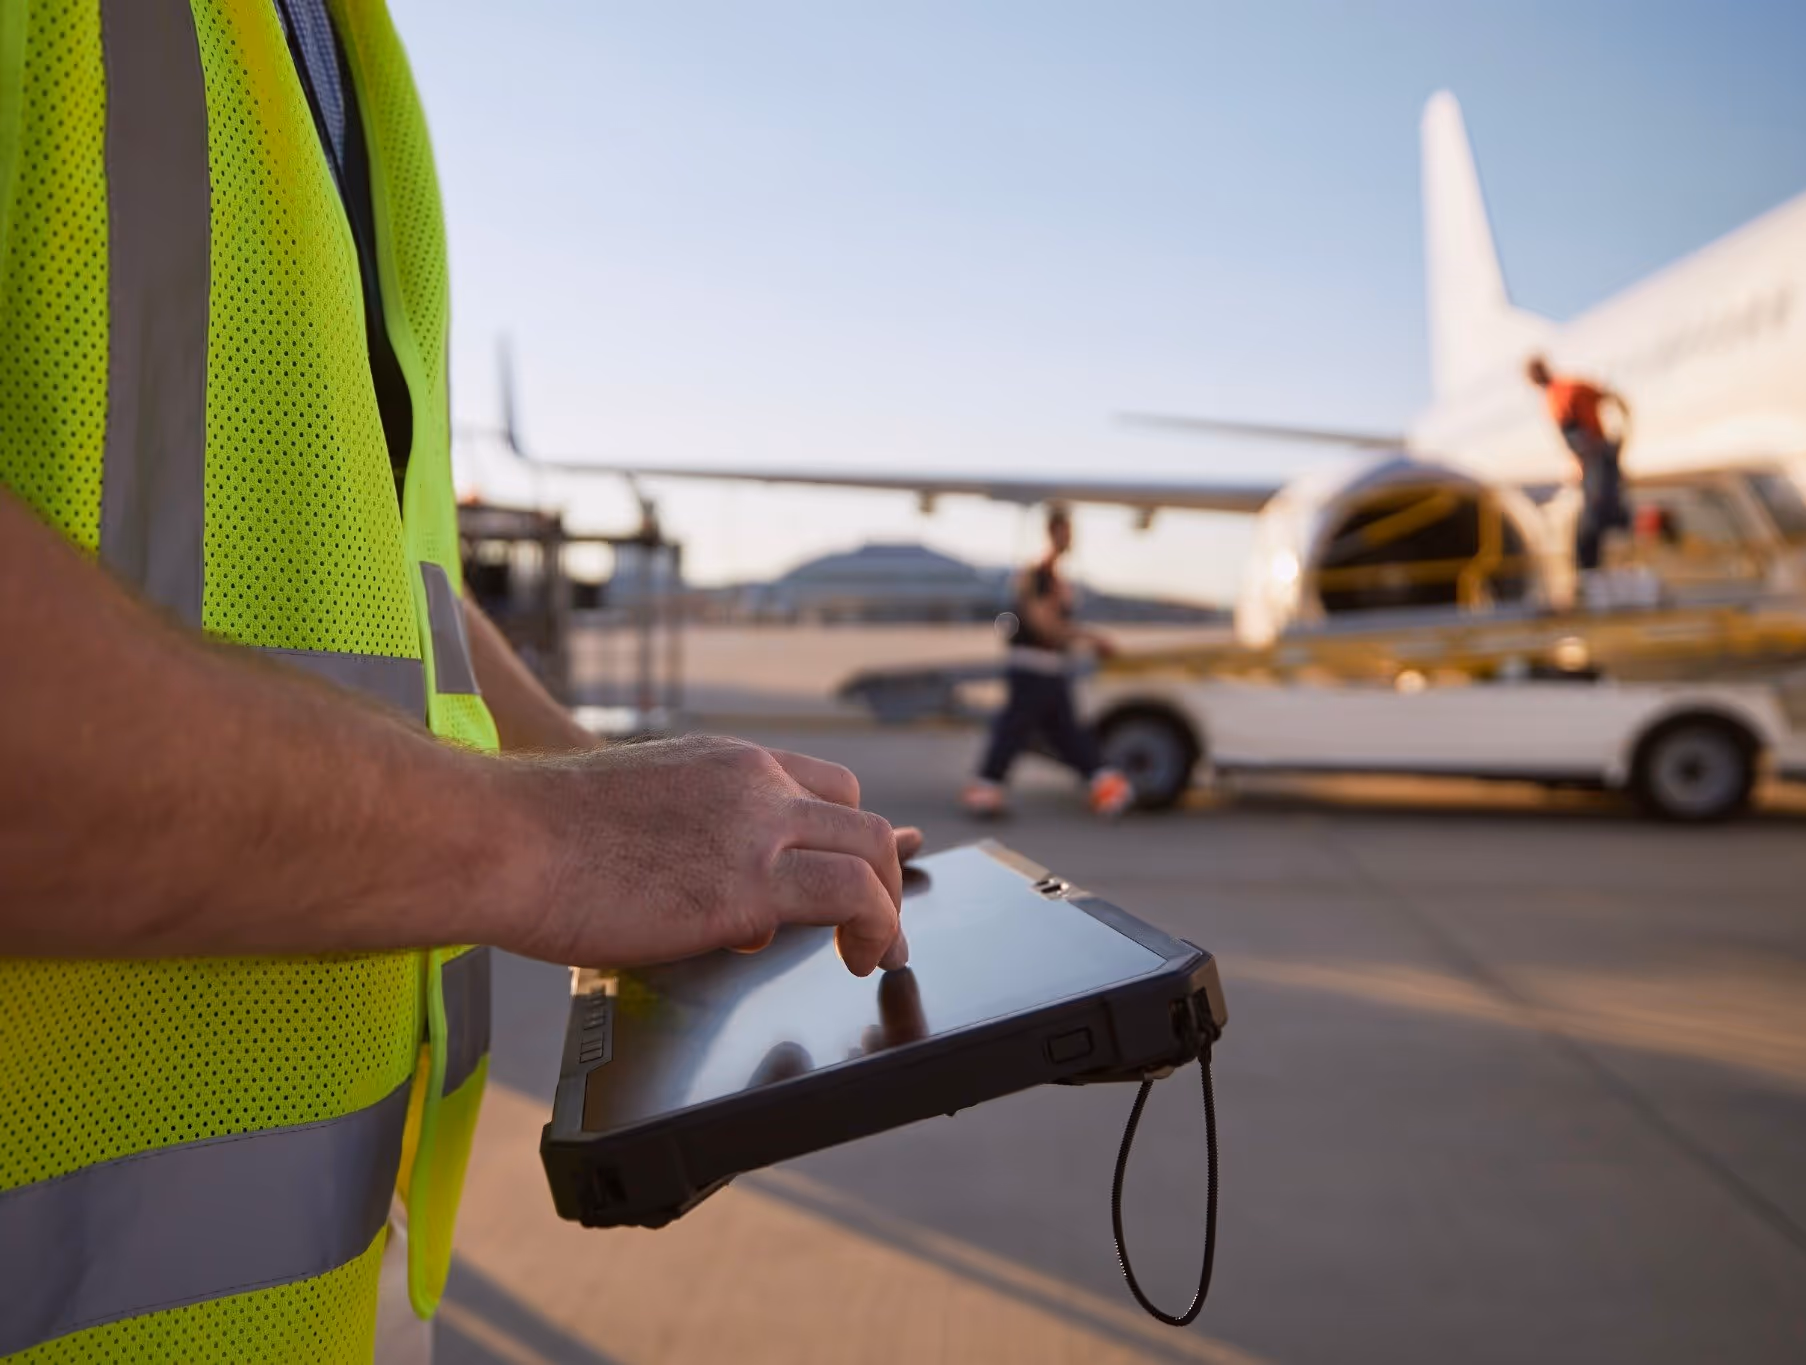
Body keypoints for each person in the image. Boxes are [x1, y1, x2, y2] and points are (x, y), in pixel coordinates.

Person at [0, 3, 915, 1361]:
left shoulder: (324, 35)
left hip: (331, 1282)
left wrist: (598, 788)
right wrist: (554, 839)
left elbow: (389, 560)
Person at [961, 506, 1133, 819]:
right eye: (1064, 532)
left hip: (1049, 666)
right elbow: (1044, 624)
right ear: (1053, 532)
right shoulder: (1039, 575)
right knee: (1020, 729)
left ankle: (1106, 785)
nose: (1069, 539)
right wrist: (1089, 639)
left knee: (1061, 732)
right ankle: (985, 789)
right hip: (1033, 666)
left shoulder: (1052, 576)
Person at [1526, 355, 1633, 573]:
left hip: (1596, 454)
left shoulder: (1563, 391)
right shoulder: (1562, 391)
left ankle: (1591, 568)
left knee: (1596, 510)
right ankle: (1599, 565)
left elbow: (1575, 430)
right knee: (1603, 507)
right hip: (1594, 454)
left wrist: (1621, 432)